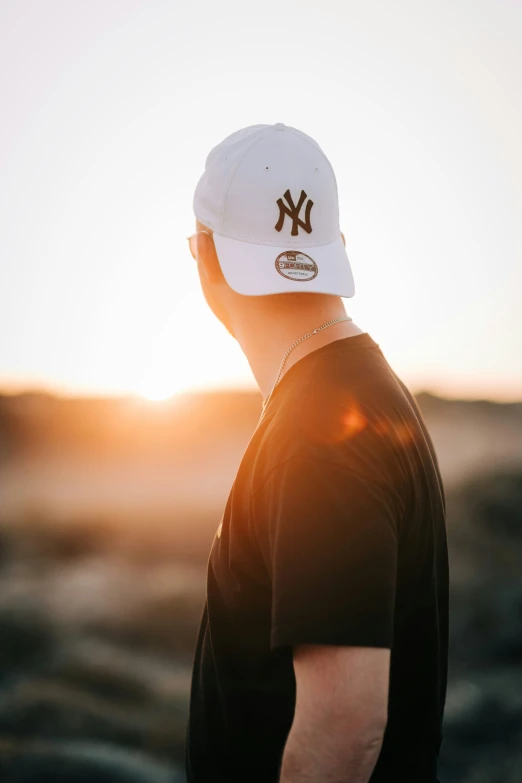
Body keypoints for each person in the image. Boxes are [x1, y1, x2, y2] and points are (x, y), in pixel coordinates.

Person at [184, 123, 449, 783]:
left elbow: (346, 727)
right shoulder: (355, 389)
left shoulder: (319, 436)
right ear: (335, 248)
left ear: (205, 257)